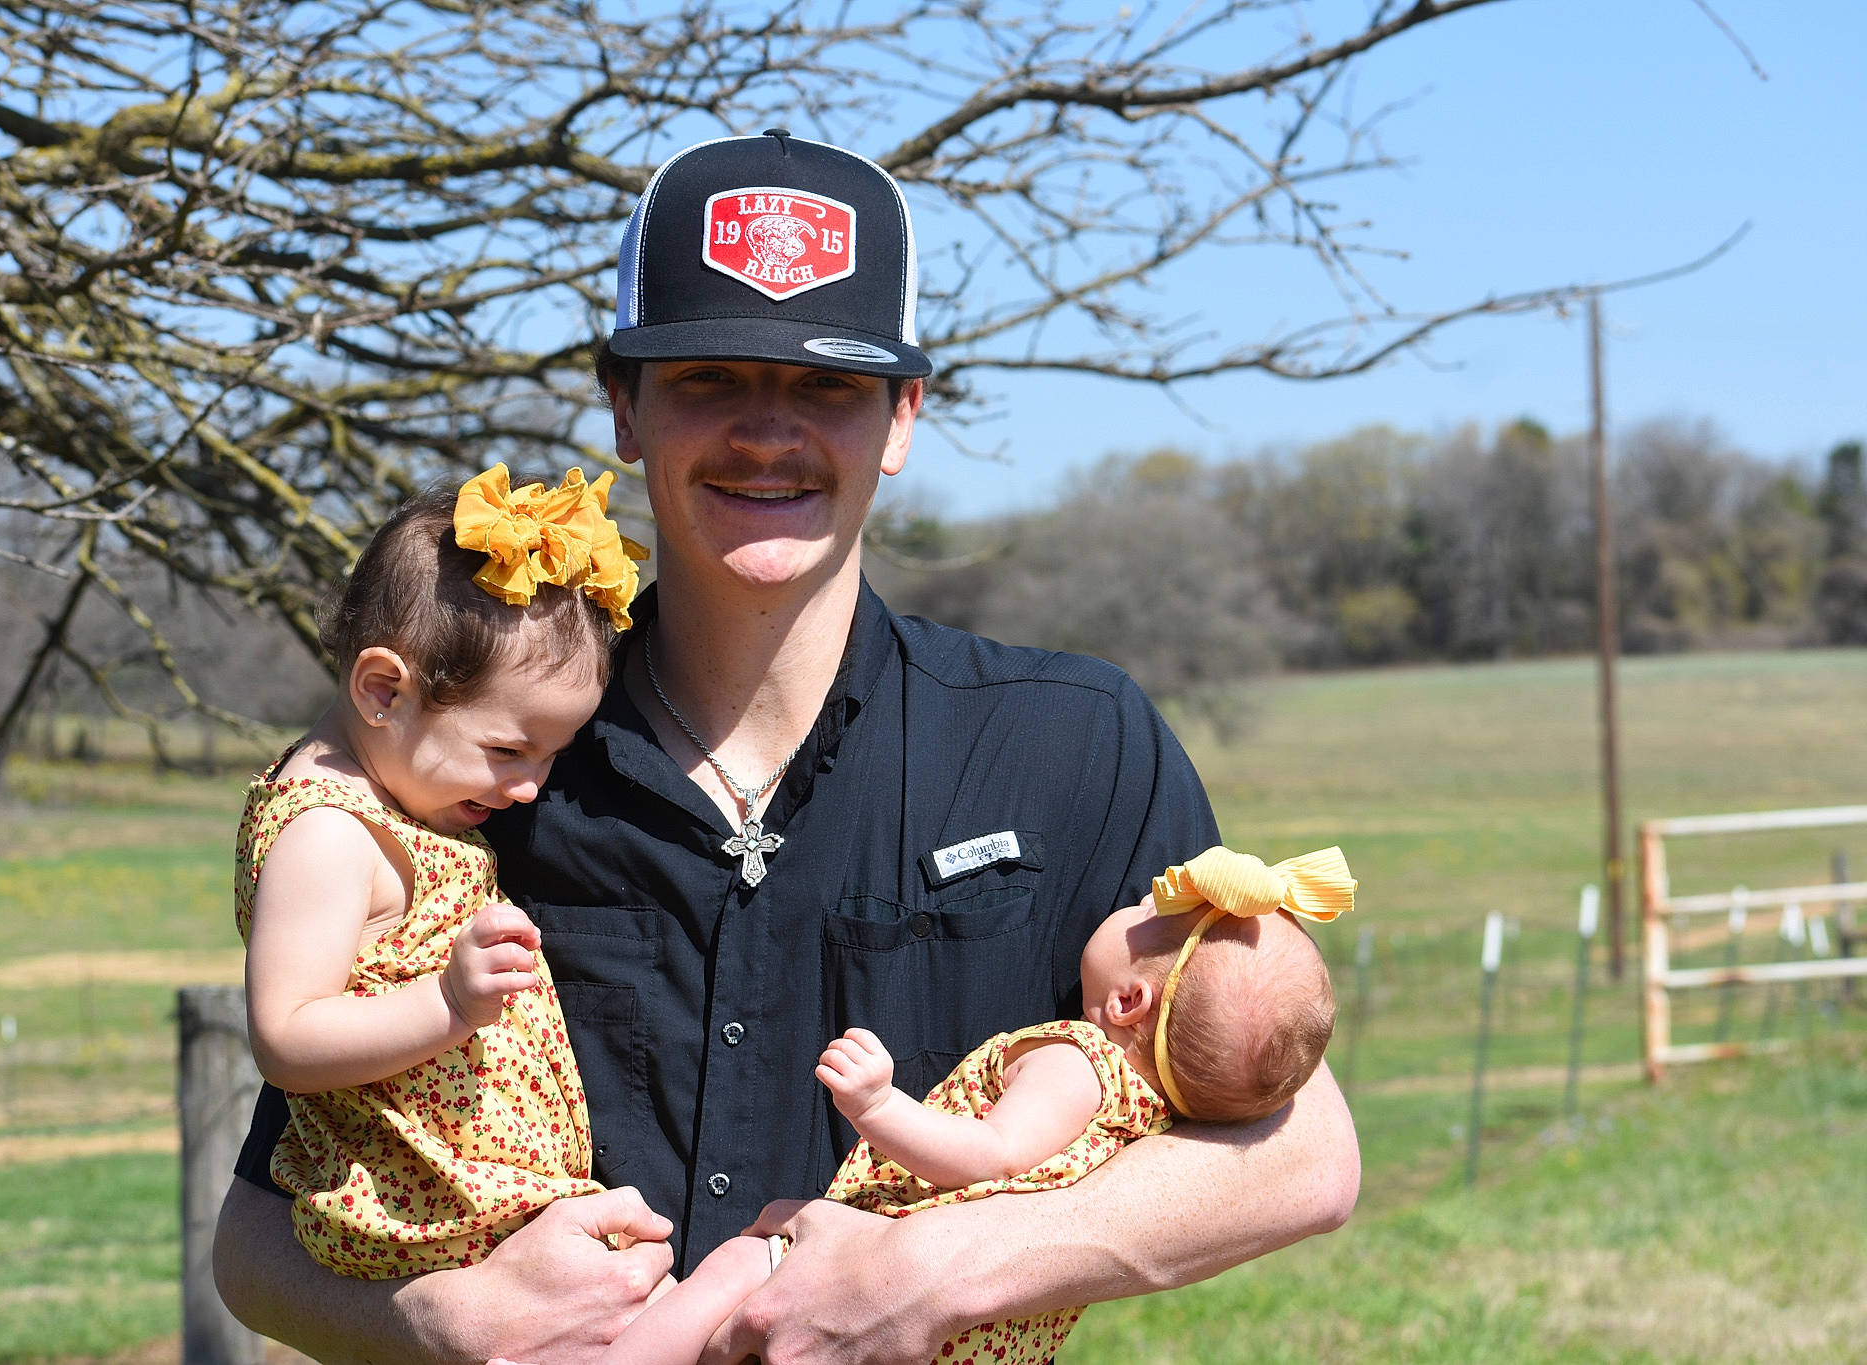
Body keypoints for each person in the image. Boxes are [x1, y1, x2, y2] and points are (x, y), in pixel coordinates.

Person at [213, 130, 1360, 1365]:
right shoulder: (481, 775)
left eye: (827, 387)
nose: (768, 432)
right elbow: (254, 1237)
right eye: (709, 377)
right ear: (623, 409)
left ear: (903, 415)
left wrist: (936, 1270)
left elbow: (1301, 1155)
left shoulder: (1070, 743)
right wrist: (436, 1321)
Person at [600, 846, 1354, 1365]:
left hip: (883, 1265)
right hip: (983, 1331)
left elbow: (986, 1154)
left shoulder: (1077, 1064)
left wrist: (879, 1105)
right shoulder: (1151, 1115)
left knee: (736, 1266)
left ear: (1129, 999)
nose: (1129, 902)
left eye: (1147, 910)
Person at [234, 466, 645, 1277]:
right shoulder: (327, 833)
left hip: (477, 1203)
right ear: (383, 690)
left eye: (549, 757)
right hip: (430, 1213)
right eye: (505, 750)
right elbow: (284, 1036)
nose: (529, 787)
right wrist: (446, 1002)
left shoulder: (392, 799)